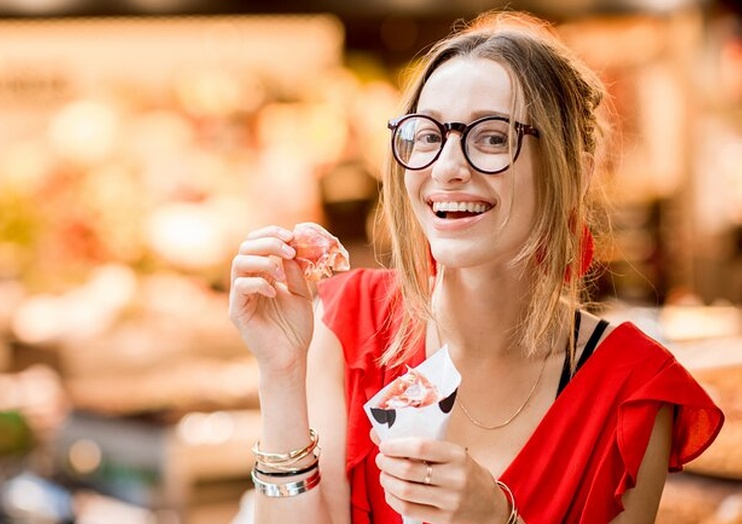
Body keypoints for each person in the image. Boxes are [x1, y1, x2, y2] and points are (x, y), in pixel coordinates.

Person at [228, 10, 724, 524]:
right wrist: (281, 374)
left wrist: (496, 520)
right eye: (426, 135)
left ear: (567, 168)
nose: (446, 167)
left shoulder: (631, 387)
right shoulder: (349, 323)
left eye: (491, 137)